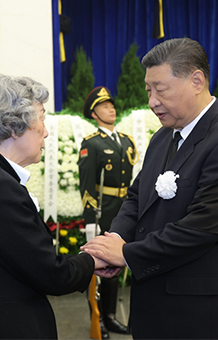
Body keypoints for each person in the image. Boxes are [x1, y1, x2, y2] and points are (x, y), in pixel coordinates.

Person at [81, 37, 218, 339]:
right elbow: (137, 197)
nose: (152, 101)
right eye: (148, 90)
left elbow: (204, 228)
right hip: (155, 309)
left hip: (204, 316)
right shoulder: (162, 139)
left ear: (197, 80)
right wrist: (114, 239)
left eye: (160, 89)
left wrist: (126, 254)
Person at [0, 73, 107, 339]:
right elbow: (50, 274)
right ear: (14, 126)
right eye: (41, 117)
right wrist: (94, 260)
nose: (45, 131)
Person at [78, 86, 137, 337]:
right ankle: (97, 317)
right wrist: (91, 220)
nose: (111, 108)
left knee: (117, 265)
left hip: (124, 210)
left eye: (111, 105)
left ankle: (111, 315)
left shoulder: (126, 140)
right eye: (104, 106)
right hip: (104, 210)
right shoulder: (91, 144)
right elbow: (87, 185)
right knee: (99, 267)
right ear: (94, 113)